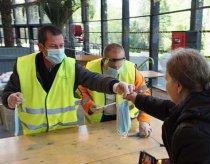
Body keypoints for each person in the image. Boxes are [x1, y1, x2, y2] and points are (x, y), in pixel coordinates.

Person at [1, 25, 134, 135]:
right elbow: (8, 93)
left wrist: (115, 85)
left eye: (61, 45)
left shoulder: (70, 65)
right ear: (41, 47)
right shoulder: (23, 65)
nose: (59, 50)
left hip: (66, 133)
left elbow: (93, 79)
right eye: (53, 46)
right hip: (34, 135)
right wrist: (10, 99)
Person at [78, 43, 152, 137]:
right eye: (113, 68)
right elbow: (81, 91)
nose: (116, 70)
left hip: (127, 119)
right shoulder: (89, 69)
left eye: (119, 67)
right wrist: (89, 106)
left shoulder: (132, 70)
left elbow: (144, 96)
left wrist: (144, 120)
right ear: (104, 60)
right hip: (98, 120)